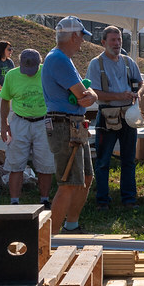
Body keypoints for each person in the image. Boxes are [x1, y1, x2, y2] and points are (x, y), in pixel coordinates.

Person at [42, 16, 98, 232]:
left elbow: (87, 93)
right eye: (82, 36)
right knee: (69, 182)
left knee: (84, 177)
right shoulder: (59, 59)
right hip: (64, 124)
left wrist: (90, 95)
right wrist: (90, 95)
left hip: (72, 124)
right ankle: (51, 238)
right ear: (74, 35)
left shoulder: (60, 58)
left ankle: (71, 227)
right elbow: (83, 93)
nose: (83, 41)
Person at [86, 26, 144, 212]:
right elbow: (93, 92)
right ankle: (102, 200)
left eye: (119, 39)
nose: (117, 43)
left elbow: (141, 83)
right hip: (107, 115)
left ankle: (129, 199)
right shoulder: (96, 64)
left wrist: (139, 93)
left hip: (129, 115)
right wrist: (120, 96)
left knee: (128, 159)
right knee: (103, 161)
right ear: (103, 42)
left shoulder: (128, 62)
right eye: (112, 40)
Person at [0, 49, 54, 208]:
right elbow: (5, 100)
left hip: (44, 121)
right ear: (20, 63)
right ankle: (14, 201)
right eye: (26, 69)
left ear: (40, 63)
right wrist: (4, 124)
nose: (29, 73)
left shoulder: (48, 72)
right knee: (15, 163)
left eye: (33, 69)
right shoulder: (11, 75)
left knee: (45, 163)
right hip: (20, 121)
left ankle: (44, 199)